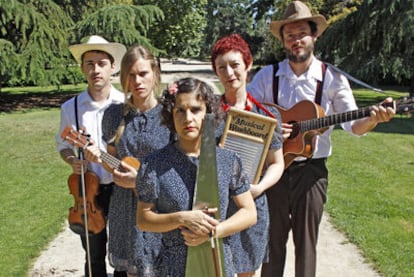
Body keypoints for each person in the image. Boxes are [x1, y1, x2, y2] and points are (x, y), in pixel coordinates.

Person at [247, 2, 396, 277]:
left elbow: (353, 126)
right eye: (289, 35)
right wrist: (271, 128)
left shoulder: (332, 78)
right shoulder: (267, 76)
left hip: (311, 173)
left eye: (302, 33)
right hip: (272, 171)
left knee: (306, 246)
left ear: (314, 36)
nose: (296, 40)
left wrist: (374, 118)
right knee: (272, 243)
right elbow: (246, 111)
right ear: (283, 41)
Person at [136, 77, 257, 277]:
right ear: (170, 116)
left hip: (218, 262)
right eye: (180, 111)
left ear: (208, 113)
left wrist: (214, 231)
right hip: (173, 267)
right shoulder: (154, 165)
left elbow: (249, 212)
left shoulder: (228, 160)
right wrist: (180, 218)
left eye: (195, 109)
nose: (188, 118)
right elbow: (143, 218)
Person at [84, 45, 172, 277]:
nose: (137, 81)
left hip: (160, 205)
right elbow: (114, 161)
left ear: (155, 73)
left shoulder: (171, 114)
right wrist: (99, 156)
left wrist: (141, 180)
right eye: (131, 75)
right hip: (125, 206)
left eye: (143, 73)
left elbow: (180, 165)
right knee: (132, 271)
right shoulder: (114, 115)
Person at [211, 33, 285, 277]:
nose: (229, 73)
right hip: (215, 206)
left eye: (235, 65)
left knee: (246, 272)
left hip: (252, 205)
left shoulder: (267, 116)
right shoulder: (208, 115)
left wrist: (259, 187)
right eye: (222, 68)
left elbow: (277, 162)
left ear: (248, 65)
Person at [56, 35, 127, 277]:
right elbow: (62, 144)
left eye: (101, 63)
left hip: (121, 190)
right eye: (90, 64)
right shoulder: (71, 108)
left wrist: (104, 157)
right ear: (82, 68)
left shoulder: (126, 104)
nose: (95, 69)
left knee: (122, 256)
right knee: (94, 255)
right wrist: (72, 161)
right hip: (88, 193)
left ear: (112, 67)